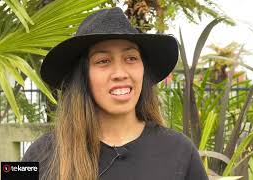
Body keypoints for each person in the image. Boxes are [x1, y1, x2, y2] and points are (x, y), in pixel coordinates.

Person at [22, 7, 208, 180]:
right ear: (82, 76)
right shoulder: (37, 155)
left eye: (131, 58)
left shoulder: (181, 152)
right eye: (103, 61)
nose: (120, 73)